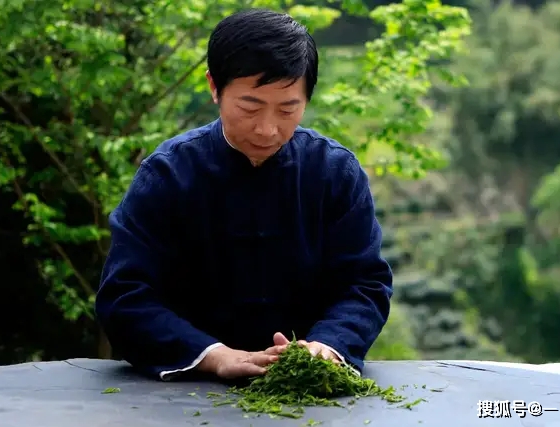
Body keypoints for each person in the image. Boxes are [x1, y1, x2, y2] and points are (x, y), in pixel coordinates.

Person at [95, 8, 393, 382]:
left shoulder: (335, 172)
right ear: (214, 87)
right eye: (250, 106)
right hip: (185, 391)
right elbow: (124, 297)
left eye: (288, 109)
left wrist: (327, 346)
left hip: (306, 391)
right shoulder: (169, 173)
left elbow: (365, 283)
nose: (268, 129)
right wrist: (215, 356)